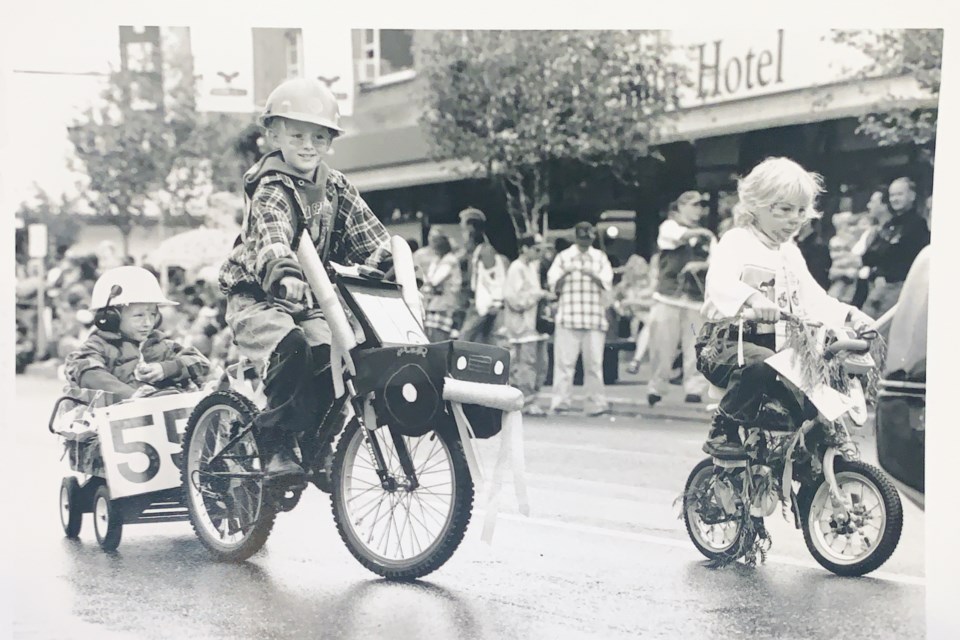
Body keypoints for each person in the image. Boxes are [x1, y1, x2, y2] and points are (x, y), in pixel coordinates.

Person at [218, 77, 393, 480]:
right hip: (258, 300)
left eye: (318, 136)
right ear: (273, 133)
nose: (307, 145)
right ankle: (276, 442)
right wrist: (284, 272)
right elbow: (273, 232)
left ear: (330, 140)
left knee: (340, 354)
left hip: (310, 304)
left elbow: (368, 235)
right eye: (296, 134)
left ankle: (319, 440)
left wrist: (394, 266)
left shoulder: (335, 186)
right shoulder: (270, 185)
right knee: (291, 345)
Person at [694, 157, 874, 451]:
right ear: (756, 205)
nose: (794, 219)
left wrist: (851, 315)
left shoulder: (789, 253)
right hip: (727, 343)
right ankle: (724, 428)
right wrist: (752, 298)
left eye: (801, 211)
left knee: (808, 404)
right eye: (785, 210)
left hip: (775, 349)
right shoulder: (737, 241)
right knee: (762, 364)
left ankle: (808, 467)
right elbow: (719, 283)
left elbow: (813, 299)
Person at [63, 266, 211, 400]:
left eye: (152, 315)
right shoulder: (96, 346)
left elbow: (201, 363)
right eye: (139, 316)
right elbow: (88, 372)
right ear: (112, 317)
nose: (147, 322)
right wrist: (130, 395)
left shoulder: (162, 345)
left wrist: (166, 368)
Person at [646, 191, 714, 407]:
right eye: (694, 205)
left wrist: (702, 265)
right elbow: (677, 239)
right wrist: (701, 233)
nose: (698, 210)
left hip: (695, 298)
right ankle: (657, 386)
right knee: (662, 347)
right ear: (681, 206)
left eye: (700, 206)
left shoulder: (708, 237)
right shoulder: (669, 226)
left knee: (695, 347)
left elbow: (718, 261)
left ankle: (694, 388)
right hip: (669, 297)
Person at [546, 222, 613, 416]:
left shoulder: (600, 258)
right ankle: (560, 402)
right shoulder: (564, 257)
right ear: (576, 237)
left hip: (593, 317)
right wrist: (565, 274)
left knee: (594, 365)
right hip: (568, 316)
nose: (585, 241)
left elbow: (606, 282)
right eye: (582, 238)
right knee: (564, 364)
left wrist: (592, 275)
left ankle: (596, 404)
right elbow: (553, 284)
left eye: (588, 238)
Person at [860, 177, 930, 319]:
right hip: (877, 287)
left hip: (900, 288)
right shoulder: (889, 224)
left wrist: (883, 256)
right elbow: (867, 256)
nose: (894, 199)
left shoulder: (918, 225)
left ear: (912, 195)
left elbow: (901, 258)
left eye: (899, 194)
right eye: (892, 195)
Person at [501, 234, 553, 416]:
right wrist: (537, 295)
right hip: (522, 326)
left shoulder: (533, 267)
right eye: (536, 249)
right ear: (525, 248)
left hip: (535, 325)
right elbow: (513, 298)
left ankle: (533, 398)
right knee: (527, 364)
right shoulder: (517, 268)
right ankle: (526, 401)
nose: (539, 253)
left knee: (541, 364)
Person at [457, 207, 508, 345]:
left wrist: (496, 303)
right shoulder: (475, 252)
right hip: (477, 305)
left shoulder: (486, 251)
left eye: (464, 229)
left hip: (484, 307)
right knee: (482, 343)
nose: (462, 234)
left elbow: (495, 279)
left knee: (464, 342)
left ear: (471, 228)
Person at [616, 254, 656, 375]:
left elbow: (654, 301)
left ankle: (636, 361)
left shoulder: (653, 280)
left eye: (642, 263)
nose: (641, 267)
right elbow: (620, 302)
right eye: (637, 265)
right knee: (650, 324)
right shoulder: (627, 286)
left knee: (650, 324)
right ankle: (636, 361)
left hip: (652, 314)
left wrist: (632, 301)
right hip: (638, 317)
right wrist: (620, 305)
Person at [421, 232, 462, 342]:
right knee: (431, 333)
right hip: (436, 303)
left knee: (440, 335)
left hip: (445, 303)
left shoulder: (450, 260)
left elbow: (435, 280)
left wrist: (428, 282)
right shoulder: (438, 259)